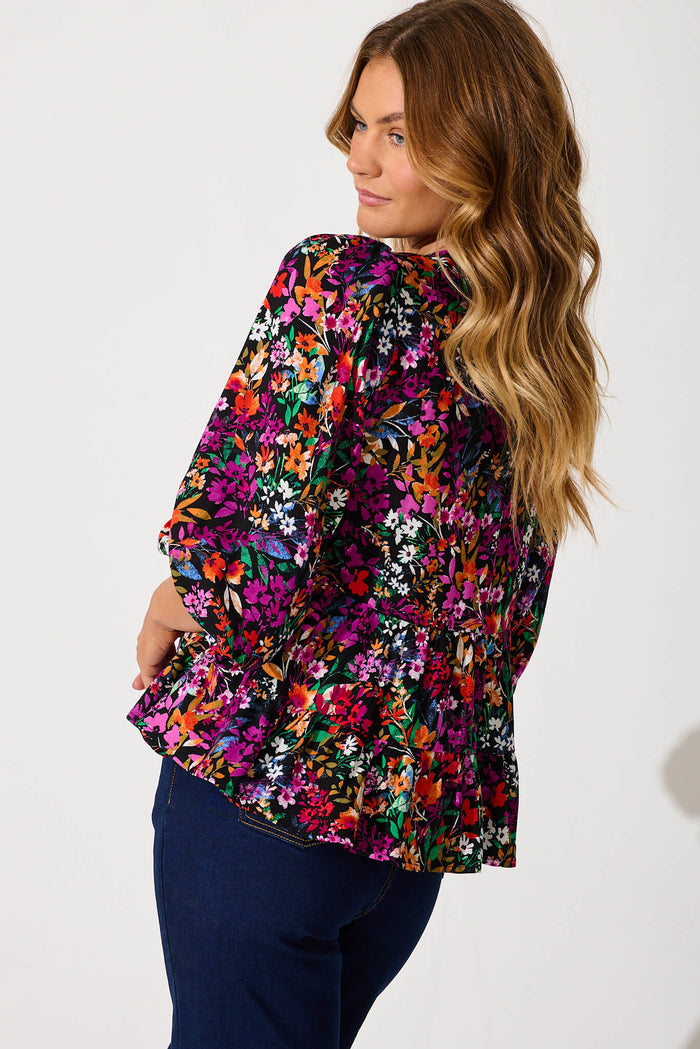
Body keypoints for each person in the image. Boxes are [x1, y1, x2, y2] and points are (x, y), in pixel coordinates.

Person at [127, 1, 609, 1045]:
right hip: (402, 844)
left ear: (485, 144)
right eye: (358, 123)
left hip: (265, 802)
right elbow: (506, 622)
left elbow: (249, 547)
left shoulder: (338, 282)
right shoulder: (528, 353)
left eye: (400, 131)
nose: (360, 157)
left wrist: (173, 597)